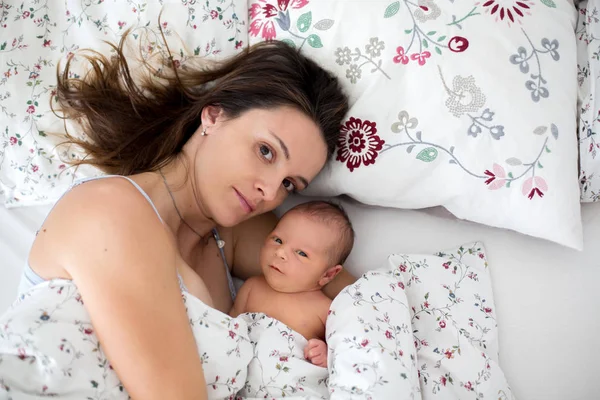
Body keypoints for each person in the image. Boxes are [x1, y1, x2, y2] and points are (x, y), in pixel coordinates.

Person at [16, 29, 355, 399]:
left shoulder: (242, 234)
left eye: (290, 184)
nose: (271, 192)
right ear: (214, 115)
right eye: (266, 151)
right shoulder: (112, 210)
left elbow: (356, 301)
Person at [230, 201, 355, 368]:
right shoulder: (251, 287)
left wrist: (325, 354)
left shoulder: (326, 309)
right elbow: (229, 325)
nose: (280, 252)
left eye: (301, 253)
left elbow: (346, 351)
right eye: (278, 240)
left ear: (328, 274)